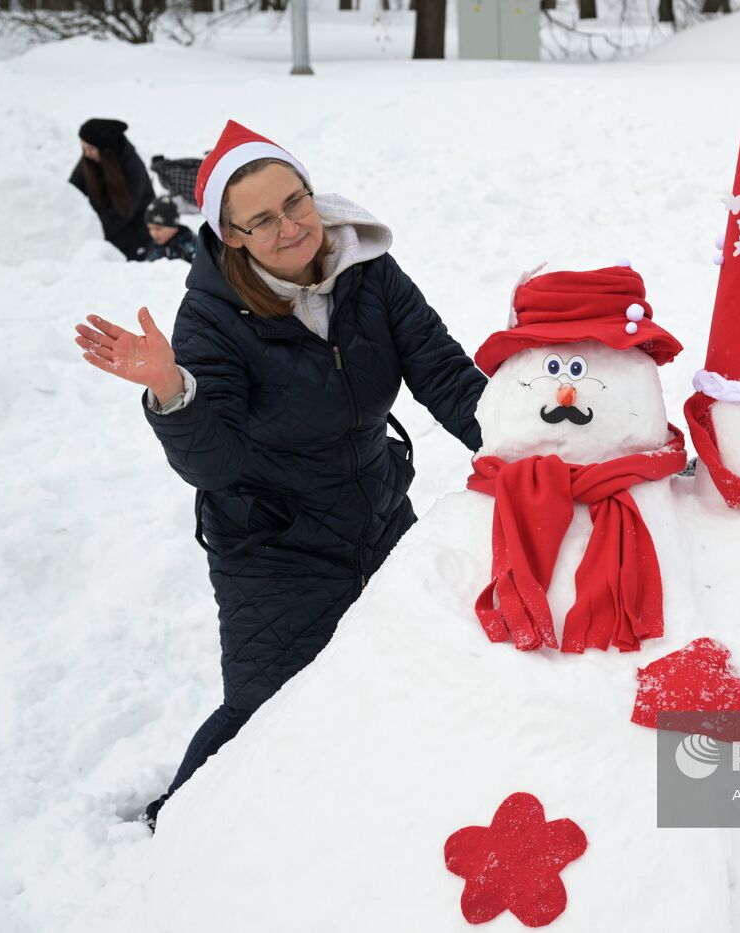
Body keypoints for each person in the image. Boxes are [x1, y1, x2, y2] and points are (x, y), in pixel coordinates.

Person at [73, 120, 487, 828]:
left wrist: (541, 449)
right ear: (230, 235)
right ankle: (175, 824)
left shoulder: (369, 273)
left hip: (380, 512)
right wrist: (173, 391)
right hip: (274, 544)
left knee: (422, 659)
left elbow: (446, 377)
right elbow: (219, 463)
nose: (290, 226)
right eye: (261, 219)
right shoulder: (211, 317)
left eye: (294, 201)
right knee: (264, 706)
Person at [69, 118, 156, 260]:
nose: (86, 153)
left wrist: (92, 231)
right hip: (107, 231)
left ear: (106, 150)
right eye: (83, 148)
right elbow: (72, 191)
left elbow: (124, 212)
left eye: (90, 148)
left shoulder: (133, 167)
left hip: (135, 237)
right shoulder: (90, 161)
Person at [143, 196, 198, 263]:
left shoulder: (188, 243)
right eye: (150, 228)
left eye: (158, 228)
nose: (153, 233)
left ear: (174, 227)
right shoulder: (154, 245)